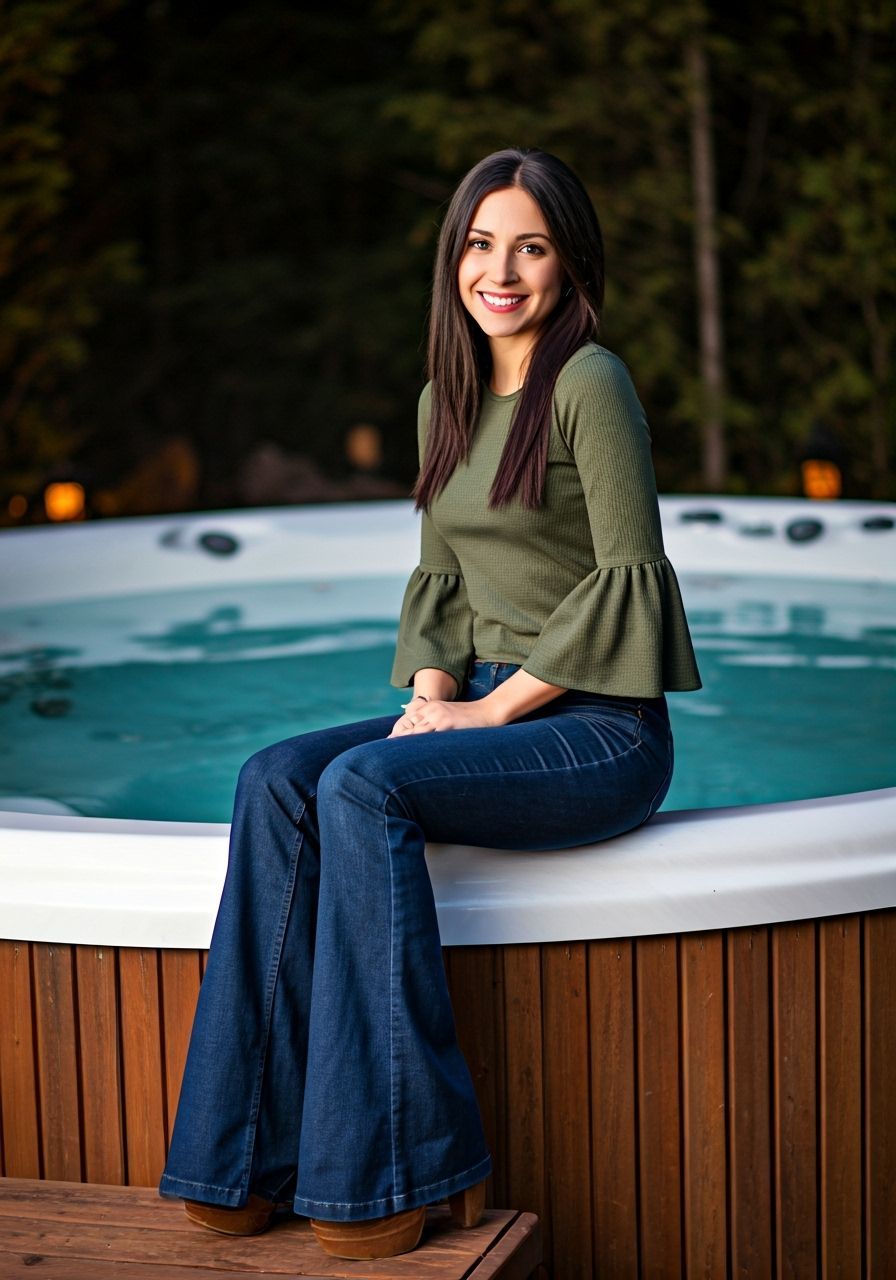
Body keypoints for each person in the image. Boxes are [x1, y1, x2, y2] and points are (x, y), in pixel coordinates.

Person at [158, 146, 702, 1261]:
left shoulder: (588, 381)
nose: (501, 271)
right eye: (480, 244)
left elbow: (628, 576)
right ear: (453, 257)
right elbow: (443, 581)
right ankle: (243, 1153)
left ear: (569, 263)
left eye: (530, 247)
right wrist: (433, 698)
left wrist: (490, 716)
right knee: (274, 778)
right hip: (489, 700)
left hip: (599, 726)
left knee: (360, 789)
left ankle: (402, 1166)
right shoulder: (440, 400)